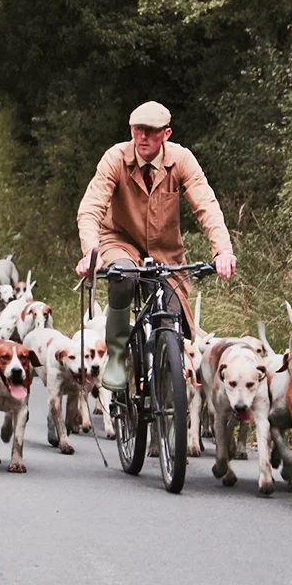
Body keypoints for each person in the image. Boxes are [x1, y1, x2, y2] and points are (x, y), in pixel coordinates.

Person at [75, 101, 237, 391]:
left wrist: (222, 250)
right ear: (131, 131)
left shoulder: (181, 160)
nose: (143, 137)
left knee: (172, 318)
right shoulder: (115, 158)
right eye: (138, 130)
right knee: (123, 277)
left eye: (151, 131)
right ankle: (116, 353)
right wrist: (91, 252)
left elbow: (206, 206)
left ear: (166, 134)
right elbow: (91, 207)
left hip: (165, 250)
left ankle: (167, 380)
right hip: (118, 240)